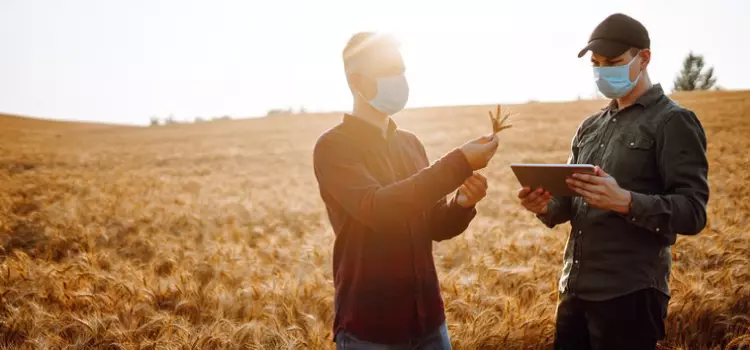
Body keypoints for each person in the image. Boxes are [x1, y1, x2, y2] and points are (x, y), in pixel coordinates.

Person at [517, 13, 709, 350]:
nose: (603, 70)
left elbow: (693, 211)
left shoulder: (673, 122)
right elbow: (568, 202)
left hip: (630, 295)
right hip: (574, 290)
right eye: (596, 63)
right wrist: (545, 205)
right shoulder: (590, 127)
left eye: (613, 62)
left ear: (644, 58)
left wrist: (626, 201)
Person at [312, 32, 500, 349]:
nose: (399, 80)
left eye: (401, 71)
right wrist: (459, 162)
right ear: (358, 81)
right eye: (388, 72)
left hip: (428, 321)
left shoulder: (410, 144)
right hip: (370, 328)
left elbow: (433, 225)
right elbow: (379, 210)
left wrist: (461, 204)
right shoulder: (333, 147)